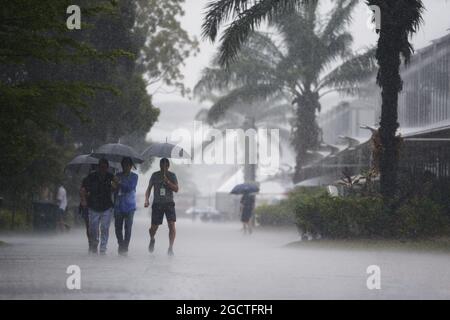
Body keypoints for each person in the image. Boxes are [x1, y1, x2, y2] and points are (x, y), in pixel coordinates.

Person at [144, 158, 179, 256]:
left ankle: (171, 248)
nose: (164, 167)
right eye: (162, 165)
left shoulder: (172, 175)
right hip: (157, 204)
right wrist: (146, 200)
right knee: (153, 228)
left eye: (166, 165)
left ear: (168, 166)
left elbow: (176, 189)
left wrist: (167, 181)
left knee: (171, 225)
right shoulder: (155, 175)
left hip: (169, 203)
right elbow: (149, 189)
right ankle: (152, 239)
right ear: (160, 166)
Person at [82, 158, 116, 255]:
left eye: (104, 167)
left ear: (107, 168)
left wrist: (115, 185)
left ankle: (103, 248)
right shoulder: (91, 177)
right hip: (93, 206)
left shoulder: (111, 176)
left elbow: (116, 187)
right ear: (98, 167)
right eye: (101, 167)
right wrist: (84, 199)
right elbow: (83, 189)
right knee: (93, 228)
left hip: (106, 206)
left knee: (105, 227)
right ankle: (94, 243)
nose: (102, 169)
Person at [113, 157, 138, 256]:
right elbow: (114, 190)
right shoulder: (117, 175)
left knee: (128, 228)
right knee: (117, 228)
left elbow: (130, 188)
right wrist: (114, 185)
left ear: (131, 166)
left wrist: (119, 182)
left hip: (130, 206)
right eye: (124, 165)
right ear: (122, 165)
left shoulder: (134, 176)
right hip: (118, 205)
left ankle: (125, 247)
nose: (126, 167)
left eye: (128, 165)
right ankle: (120, 244)